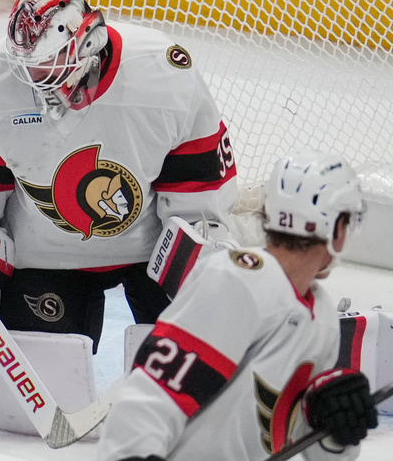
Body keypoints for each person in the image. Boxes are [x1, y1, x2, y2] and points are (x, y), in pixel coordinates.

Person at [0, 0, 238, 352]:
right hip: (43, 258)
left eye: (47, 61)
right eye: (26, 64)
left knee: (198, 376)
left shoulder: (163, 76)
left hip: (151, 255)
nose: (33, 77)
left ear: (89, 42)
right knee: (42, 383)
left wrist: (207, 288)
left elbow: (200, 202)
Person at [97, 149, 378, 460]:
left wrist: (334, 426)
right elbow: (155, 391)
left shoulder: (321, 314)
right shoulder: (236, 280)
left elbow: (314, 450)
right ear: (337, 229)